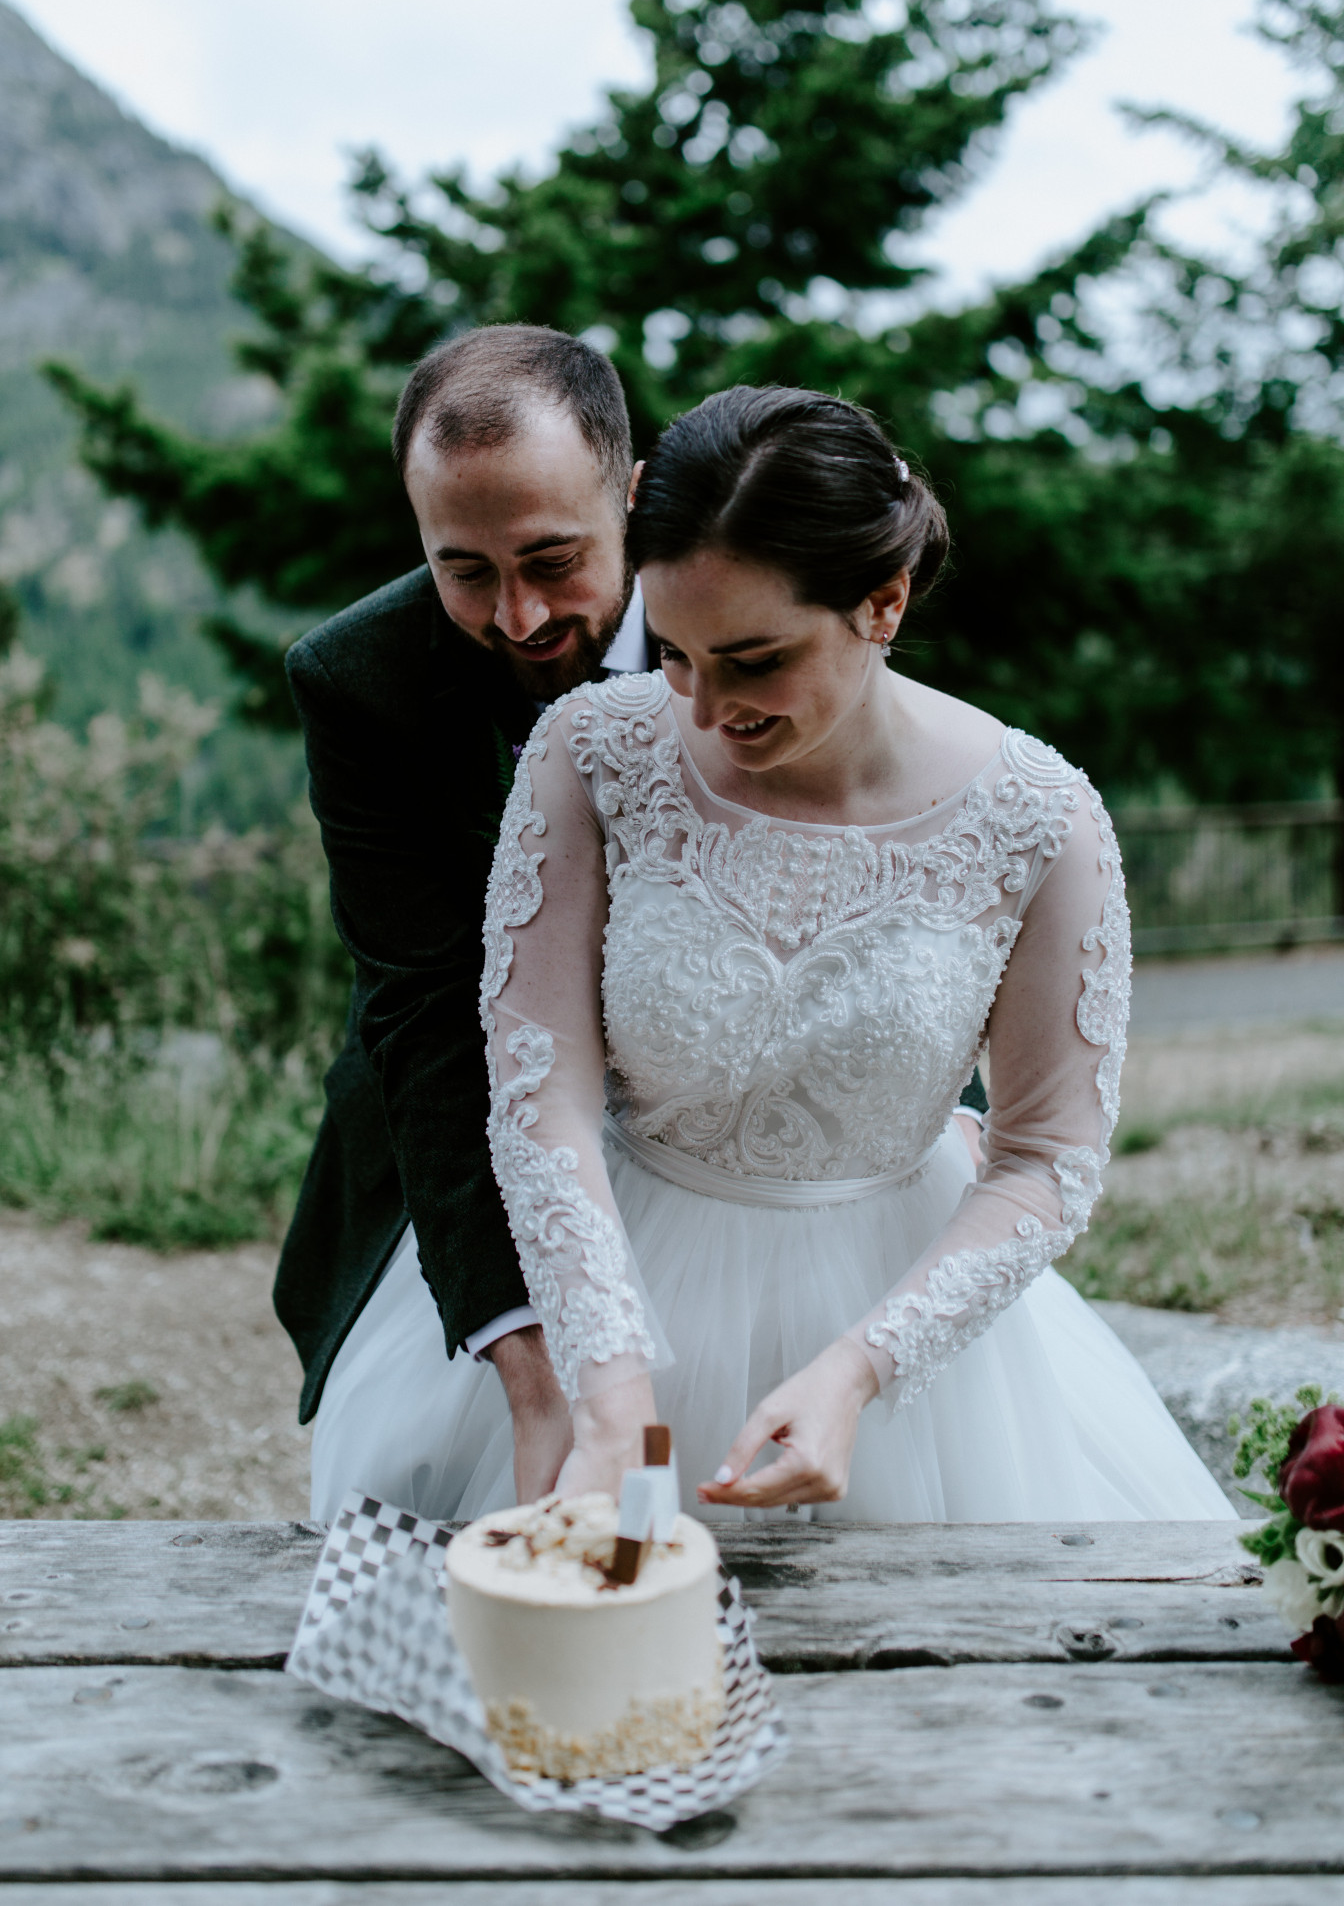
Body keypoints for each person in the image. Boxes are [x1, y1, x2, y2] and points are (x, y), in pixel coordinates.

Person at [311, 385, 1234, 1525]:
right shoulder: (594, 749)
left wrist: (864, 1368)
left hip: (900, 1322)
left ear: (881, 602)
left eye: (753, 660)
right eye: (681, 656)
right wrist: (606, 1376)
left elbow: (1045, 1157)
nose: (703, 710)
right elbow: (537, 1079)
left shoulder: (1042, 823)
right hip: (618, 1271)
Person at [276, 325, 651, 1507]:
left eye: (552, 559)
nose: (518, 616)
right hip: (474, 1113)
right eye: (465, 571)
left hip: (734, 1109)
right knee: (436, 1484)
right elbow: (426, 1006)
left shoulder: (760, 595)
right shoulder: (360, 680)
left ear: (632, 499)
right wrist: (532, 1383)